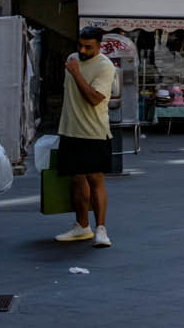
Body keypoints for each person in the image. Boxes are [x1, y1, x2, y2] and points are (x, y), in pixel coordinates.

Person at [54, 25, 119, 246]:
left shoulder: (105, 66)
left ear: (99, 46)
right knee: (77, 179)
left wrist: (75, 73)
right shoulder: (73, 58)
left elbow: (93, 98)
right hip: (70, 130)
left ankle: (101, 229)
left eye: (88, 47)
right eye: (80, 45)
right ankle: (82, 226)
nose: (82, 50)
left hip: (94, 131)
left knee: (95, 178)